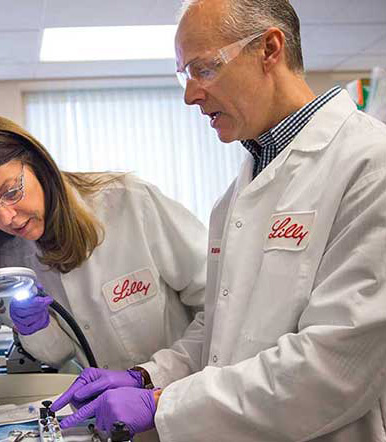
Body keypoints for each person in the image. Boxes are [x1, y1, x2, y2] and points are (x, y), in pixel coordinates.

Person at [52, 0, 386, 440]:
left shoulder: (369, 164)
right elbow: (219, 331)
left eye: (204, 69)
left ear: (270, 49)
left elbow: (334, 365)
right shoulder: (236, 196)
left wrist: (161, 404)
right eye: (184, 75)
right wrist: (148, 377)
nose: (189, 94)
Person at [0, 115, 207, 375]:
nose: (6, 218)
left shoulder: (130, 203)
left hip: (187, 400)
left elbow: (217, 300)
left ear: (38, 165)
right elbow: (59, 355)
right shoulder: (5, 258)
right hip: (106, 415)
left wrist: (154, 376)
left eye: (11, 192)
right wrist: (35, 328)